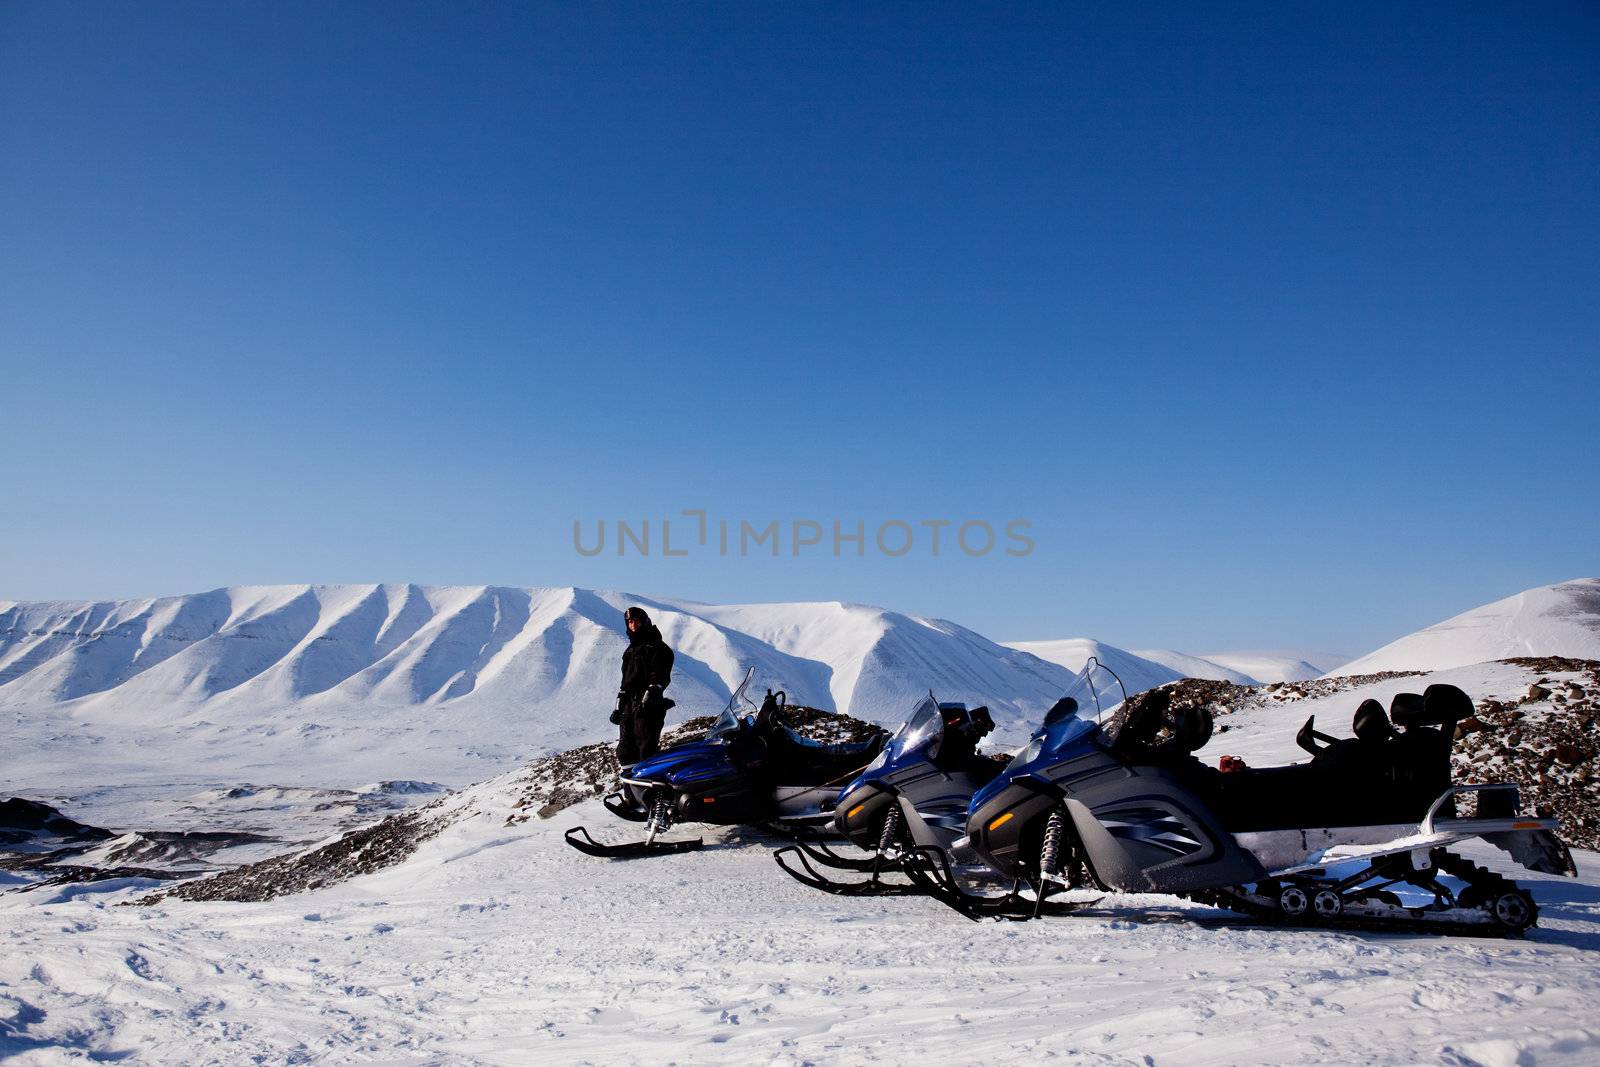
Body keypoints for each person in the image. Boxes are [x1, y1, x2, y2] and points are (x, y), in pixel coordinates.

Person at [612, 606, 674, 766]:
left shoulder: (657, 647)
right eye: (630, 622)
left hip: (648, 706)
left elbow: (660, 676)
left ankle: (651, 789)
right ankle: (631, 789)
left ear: (645, 622)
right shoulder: (630, 651)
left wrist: (652, 692)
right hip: (629, 706)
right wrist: (619, 707)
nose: (633, 625)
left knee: (645, 751)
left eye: (636, 621)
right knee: (625, 752)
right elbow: (625, 683)